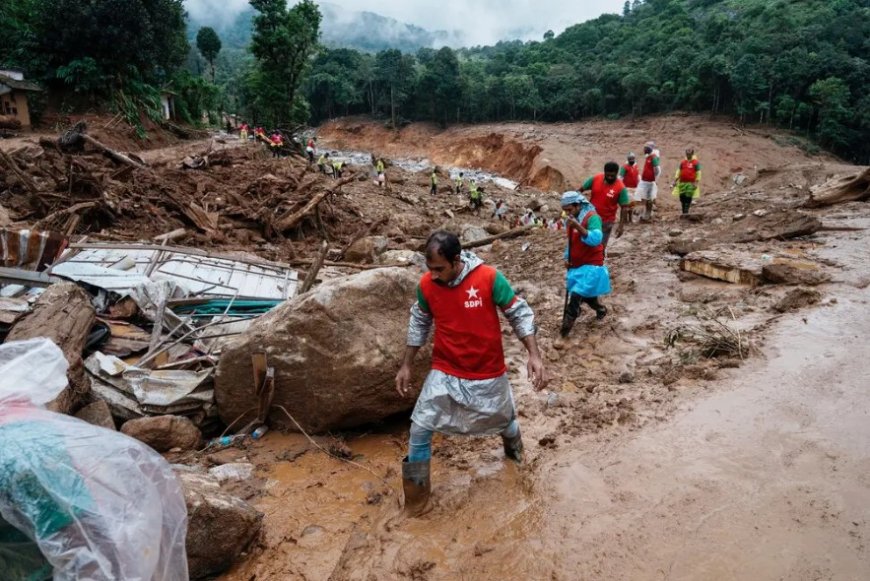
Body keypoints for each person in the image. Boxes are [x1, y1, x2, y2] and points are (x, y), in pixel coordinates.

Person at [395, 231, 547, 516]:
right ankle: (416, 503)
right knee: (420, 427)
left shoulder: (489, 278)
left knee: (505, 421)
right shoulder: (427, 286)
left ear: (456, 260)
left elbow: (519, 313)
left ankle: (516, 463)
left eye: (440, 269)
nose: (434, 275)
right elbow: (419, 323)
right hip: (445, 369)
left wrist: (534, 355)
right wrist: (406, 364)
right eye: (430, 270)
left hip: (487, 371)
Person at [559, 191, 612, 338]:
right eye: (565, 210)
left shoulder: (592, 217)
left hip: (592, 264)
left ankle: (565, 330)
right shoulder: (571, 219)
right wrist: (567, 258)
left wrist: (577, 226)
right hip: (577, 264)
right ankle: (600, 309)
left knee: (576, 294)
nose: (567, 213)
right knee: (587, 296)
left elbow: (596, 239)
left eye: (569, 210)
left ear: (578, 205)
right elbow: (571, 243)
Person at [578, 161, 631, 248]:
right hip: (591, 218)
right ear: (604, 172)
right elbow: (580, 190)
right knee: (586, 243)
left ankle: (599, 260)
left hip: (606, 222)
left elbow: (624, 208)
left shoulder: (621, 188)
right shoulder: (595, 179)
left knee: (600, 246)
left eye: (612, 176)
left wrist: (621, 226)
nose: (610, 177)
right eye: (608, 175)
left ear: (616, 174)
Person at [636, 141, 661, 221]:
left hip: (649, 181)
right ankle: (647, 212)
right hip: (646, 181)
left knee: (649, 198)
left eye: (645, 148)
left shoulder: (653, 158)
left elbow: (657, 170)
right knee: (646, 197)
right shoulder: (648, 157)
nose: (644, 149)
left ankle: (648, 214)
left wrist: (654, 179)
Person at [673, 147, 701, 215]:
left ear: (692, 154)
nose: (688, 155)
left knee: (688, 196)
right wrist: (675, 180)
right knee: (682, 197)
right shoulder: (683, 162)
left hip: (691, 183)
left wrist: (696, 183)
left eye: (689, 153)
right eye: (687, 153)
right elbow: (678, 171)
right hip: (682, 182)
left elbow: (698, 173)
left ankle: (686, 211)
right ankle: (683, 210)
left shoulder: (695, 163)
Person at [618, 152, 640, 222]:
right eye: (630, 159)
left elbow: (638, 176)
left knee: (632, 205)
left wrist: (639, 184)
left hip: (634, 188)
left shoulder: (636, 166)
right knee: (626, 205)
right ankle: (624, 219)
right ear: (628, 159)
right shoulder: (624, 167)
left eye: (633, 159)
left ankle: (630, 219)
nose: (632, 160)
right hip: (626, 188)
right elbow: (620, 177)